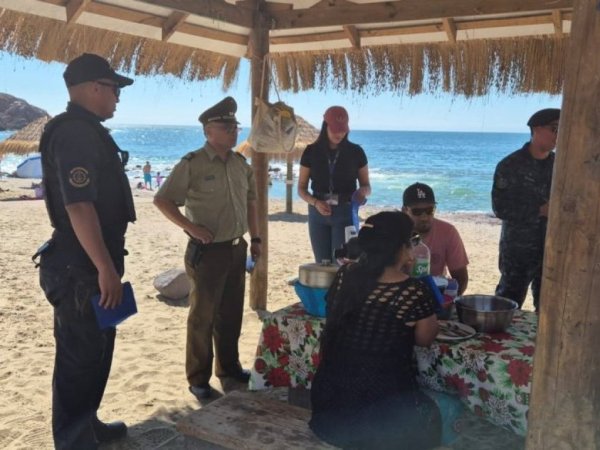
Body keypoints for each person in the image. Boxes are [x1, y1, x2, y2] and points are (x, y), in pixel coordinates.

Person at [36, 53, 135, 449]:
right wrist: (104, 269)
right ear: (95, 88)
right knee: (78, 361)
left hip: (91, 262)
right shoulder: (75, 132)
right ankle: (74, 441)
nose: (117, 97)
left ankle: (87, 425)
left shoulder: (87, 130)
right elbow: (78, 206)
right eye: (114, 89)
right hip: (80, 266)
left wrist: (106, 266)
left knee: (96, 352)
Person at [153, 96, 261, 400]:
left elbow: (252, 203)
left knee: (231, 313)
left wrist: (256, 239)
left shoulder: (240, 164)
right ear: (208, 131)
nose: (233, 131)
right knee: (203, 317)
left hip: (237, 248)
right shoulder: (193, 163)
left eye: (235, 126)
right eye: (226, 127)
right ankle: (198, 379)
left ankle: (229, 368)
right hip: (208, 252)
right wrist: (191, 227)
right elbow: (162, 200)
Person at [310, 211, 441, 449]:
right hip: (381, 417)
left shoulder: (345, 275)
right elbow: (425, 339)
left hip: (329, 407)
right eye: (410, 242)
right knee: (440, 411)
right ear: (401, 248)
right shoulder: (412, 291)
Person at [492, 108, 559, 311]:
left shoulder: (560, 166)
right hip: (518, 251)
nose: (558, 135)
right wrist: (539, 210)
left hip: (553, 249)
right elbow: (500, 207)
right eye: (554, 129)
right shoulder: (510, 165)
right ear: (536, 129)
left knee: (548, 309)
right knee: (506, 306)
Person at [298, 106, 370, 263]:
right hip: (318, 213)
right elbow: (301, 188)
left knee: (343, 264)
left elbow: (367, 186)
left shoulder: (356, 152)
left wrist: (362, 192)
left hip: (345, 212)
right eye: (335, 130)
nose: (340, 134)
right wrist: (315, 203)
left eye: (343, 130)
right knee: (322, 263)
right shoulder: (311, 151)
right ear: (325, 126)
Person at [402, 182, 469, 295]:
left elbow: (461, 279)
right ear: (404, 210)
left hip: (435, 294)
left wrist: (445, 302)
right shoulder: (393, 233)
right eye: (417, 212)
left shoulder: (448, 232)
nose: (424, 217)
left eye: (430, 210)